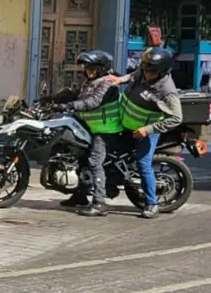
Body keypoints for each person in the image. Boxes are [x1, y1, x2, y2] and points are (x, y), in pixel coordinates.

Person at [111, 47, 183, 219]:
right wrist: (119, 80)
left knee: (143, 164)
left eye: (150, 71)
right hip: (127, 126)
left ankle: (152, 204)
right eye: (144, 68)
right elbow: (132, 75)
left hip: (146, 132)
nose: (146, 73)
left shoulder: (167, 91)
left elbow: (176, 118)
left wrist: (147, 130)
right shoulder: (144, 71)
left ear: (161, 71)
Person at [50, 50, 123, 217]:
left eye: (92, 67)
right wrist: (52, 100)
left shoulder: (108, 83)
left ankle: (99, 203)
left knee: (94, 162)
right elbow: (76, 95)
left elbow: (93, 102)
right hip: (89, 126)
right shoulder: (90, 82)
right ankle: (80, 195)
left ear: (102, 68)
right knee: (78, 156)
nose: (89, 70)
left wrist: (69, 106)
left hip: (105, 130)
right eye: (87, 67)